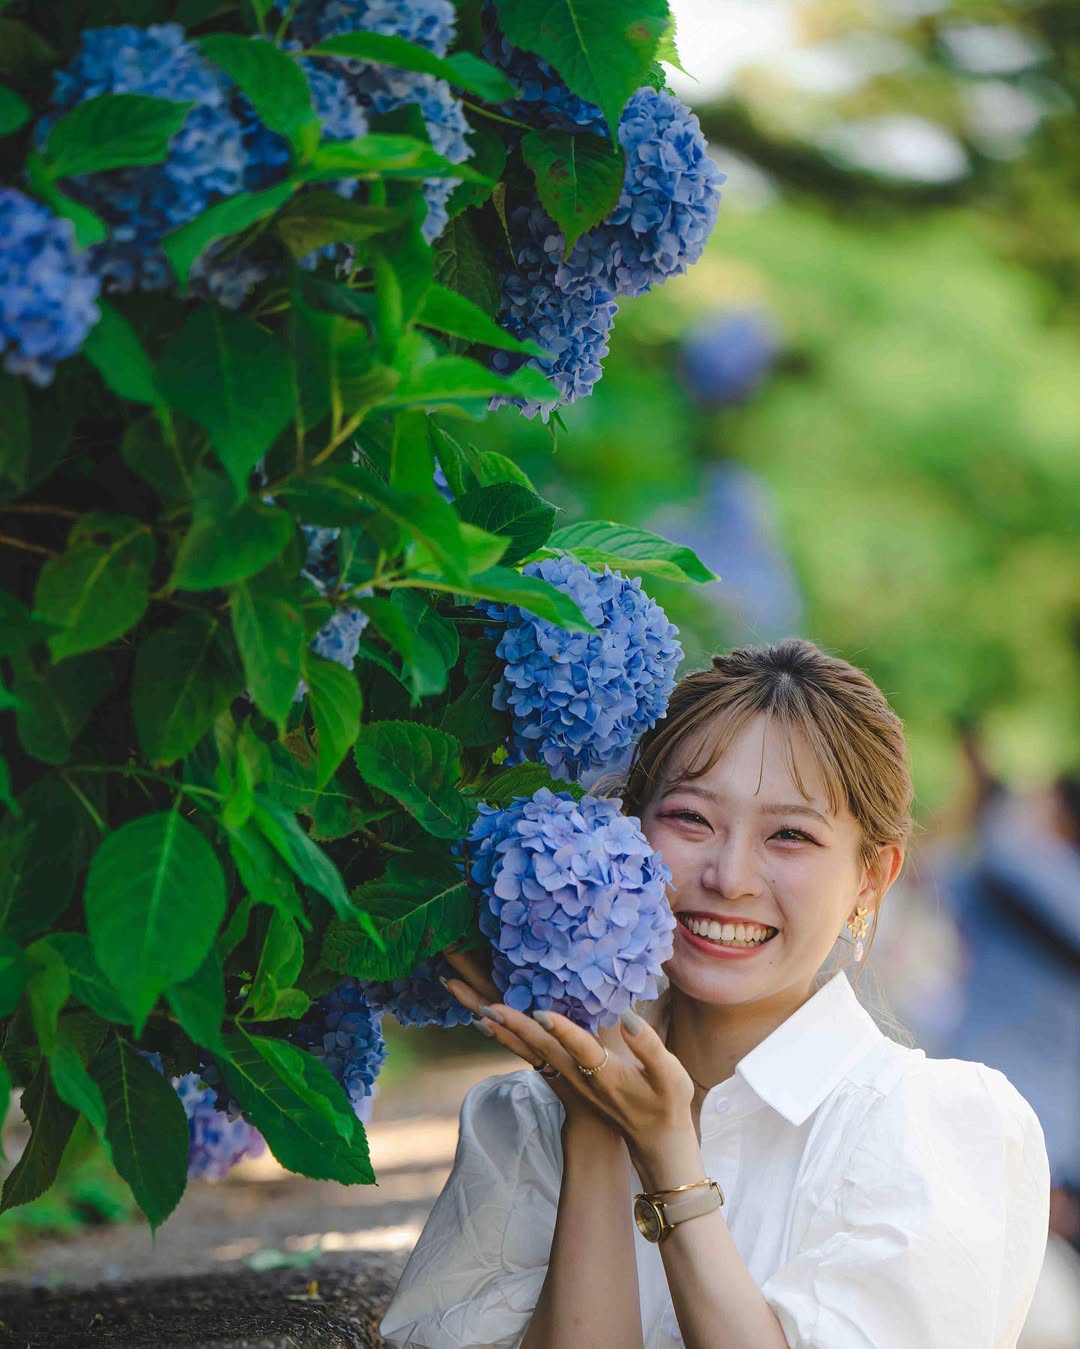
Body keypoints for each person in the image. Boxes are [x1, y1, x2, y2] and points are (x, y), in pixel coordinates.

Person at [380, 639, 1051, 1349]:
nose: (730, 876)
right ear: (630, 831)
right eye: (692, 818)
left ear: (872, 878)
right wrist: (595, 1125)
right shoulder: (521, 1126)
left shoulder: (934, 1129)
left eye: (790, 835)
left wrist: (666, 1153)